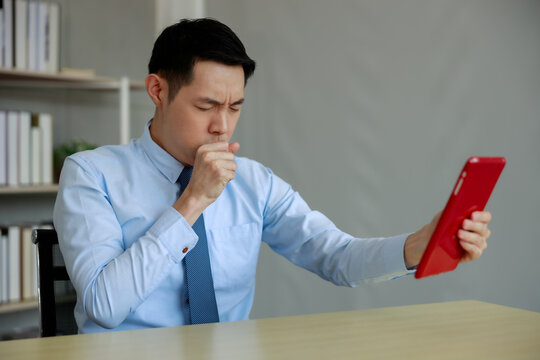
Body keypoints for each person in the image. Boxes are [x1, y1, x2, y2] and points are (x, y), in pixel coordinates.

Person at [53, 18, 491, 333]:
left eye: (235, 107)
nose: (222, 126)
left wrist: (417, 245)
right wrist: (192, 202)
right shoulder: (92, 175)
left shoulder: (254, 183)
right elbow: (104, 306)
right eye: (206, 106)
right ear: (158, 90)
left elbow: (336, 257)